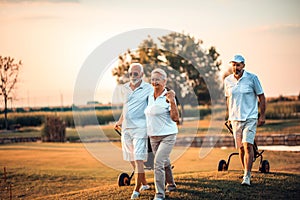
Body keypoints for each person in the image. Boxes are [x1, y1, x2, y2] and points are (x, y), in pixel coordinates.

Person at [224, 54, 266, 186]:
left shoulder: (252, 78)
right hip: (235, 118)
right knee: (241, 148)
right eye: (233, 65)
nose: (235, 67)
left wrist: (262, 115)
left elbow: (262, 97)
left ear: (243, 65)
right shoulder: (228, 81)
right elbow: (228, 99)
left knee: (248, 145)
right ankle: (245, 172)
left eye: (238, 65)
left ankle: (247, 176)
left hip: (250, 117)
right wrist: (229, 116)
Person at [115, 63, 152, 199]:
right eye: (131, 73)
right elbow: (126, 108)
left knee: (138, 159)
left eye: (136, 73)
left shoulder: (148, 88)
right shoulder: (124, 88)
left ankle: (136, 190)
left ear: (142, 75)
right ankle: (145, 184)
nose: (133, 76)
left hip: (140, 128)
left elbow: (153, 107)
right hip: (126, 128)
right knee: (131, 158)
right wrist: (119, 122)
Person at [144, 68, 179, 200]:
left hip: (168, 136)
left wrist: (172, 101)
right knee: (164, 162)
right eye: (152, 79)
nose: (154, 82)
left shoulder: (168, 96)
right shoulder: (149, 96)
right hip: (153, 136)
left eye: (157, 80)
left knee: (158, 162)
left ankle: (159, 194)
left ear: (164, 81)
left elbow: (176, 118)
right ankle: (171, 184)